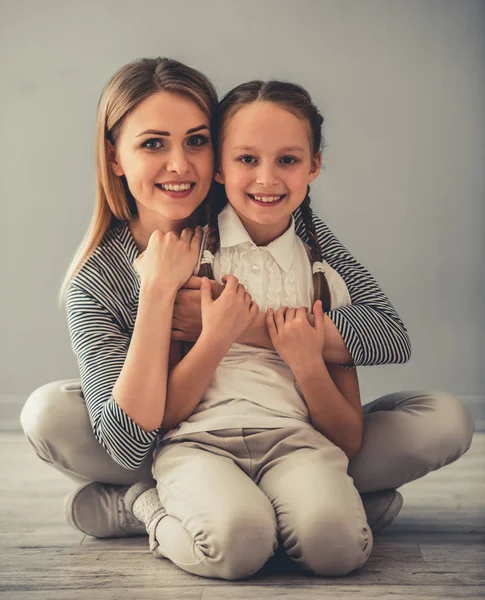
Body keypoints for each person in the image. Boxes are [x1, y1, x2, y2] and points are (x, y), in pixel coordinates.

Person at [19, 59, 473, 564]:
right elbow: (129, 444)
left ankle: (304, 506)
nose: (180, 165)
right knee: (49, 411)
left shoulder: (264, 210)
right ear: (115, 156)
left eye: (195, 141)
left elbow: (388, 335)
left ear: (216, 150)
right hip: (175, 444)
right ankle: (164, 505)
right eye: (153, 144)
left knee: (444, 419)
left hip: (295, 431)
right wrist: (158, 295)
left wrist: (249, 327)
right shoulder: (98, 279)